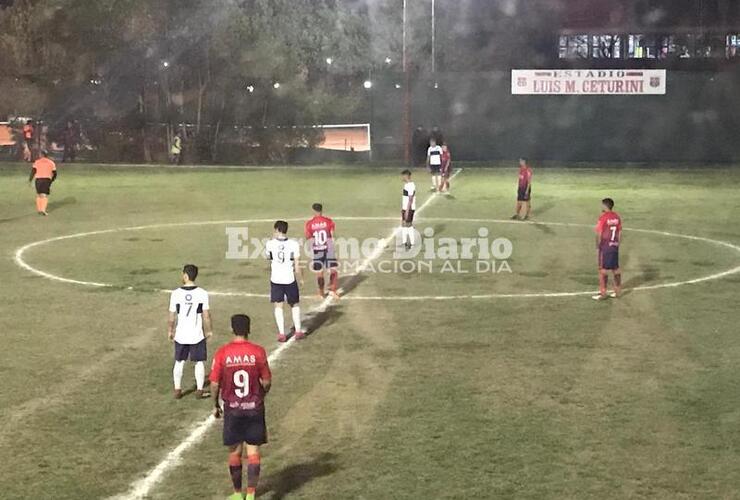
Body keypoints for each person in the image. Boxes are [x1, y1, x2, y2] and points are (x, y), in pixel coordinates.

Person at [210, 314, 271, 500]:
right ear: (249, 329)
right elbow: (267, 381)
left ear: (231, 329)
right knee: (253, 451)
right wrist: (260, 394)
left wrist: (215, 405)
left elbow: (214, 383)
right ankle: (251, 495)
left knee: (235, 452)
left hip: (233, 410)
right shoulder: (258, 352)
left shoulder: (223, 353)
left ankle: (237, 494)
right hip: (254, 408)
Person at [168, 264, 213, 399]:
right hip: (196, 335)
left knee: (179, 361)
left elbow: (171, 316)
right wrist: (209, 331)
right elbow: (206, 315)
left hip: (181, 334)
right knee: (199, 362)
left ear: (186, 276)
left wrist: (170, 331)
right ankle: (199, 390)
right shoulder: (202, 293)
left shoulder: (175, 293)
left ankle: (177, 389)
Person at [265, 220, 304, 342]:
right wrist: (301, 278)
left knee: (278, 305)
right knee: (294, 304)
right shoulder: (294, 244)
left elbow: (268, 257)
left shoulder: (270, 244)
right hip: (289, 279)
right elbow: (297, 264)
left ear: (277, 230)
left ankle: (281, 333)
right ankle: (298, 331)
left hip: (276, 279)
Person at [305, 203, 339, 299]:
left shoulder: (309, 224)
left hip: (317, 250)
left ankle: (321, 293)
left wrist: (312, 250)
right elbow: (332, 236)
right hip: (329, 249)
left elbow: (309, 239)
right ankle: (333, 291)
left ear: (313, 210)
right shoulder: (328, 221)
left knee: (319, 273)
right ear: (322, 210)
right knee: (333, 270)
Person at [593, 198, 623, 301]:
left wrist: (597, 246)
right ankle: (618, 291)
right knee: (615, 268)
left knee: (603, 270)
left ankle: (603, 293)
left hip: (605, 247)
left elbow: (599, 233)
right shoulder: (617, 217)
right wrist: (617, 244)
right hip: (614, 246)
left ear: (605, 206)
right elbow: (620, 232)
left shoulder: (603, 217)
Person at [28, 149, 57, 216]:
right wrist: (52, 180)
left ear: (41, 155)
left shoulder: (37, 162)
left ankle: (39, 209)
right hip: (47, 179)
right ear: (47, 155)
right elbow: (55, 173)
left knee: (39, 194)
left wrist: (30, 180)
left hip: (38, 179)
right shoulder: (51, 162)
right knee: (44, 195)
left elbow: (33, 172)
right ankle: (43, 210)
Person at [400, 169, 417, 250]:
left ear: (406, 176)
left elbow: (410, 199)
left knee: (408, 225)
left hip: (409, 208)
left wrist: (407, 210)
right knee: (403, 224)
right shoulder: (407, 185)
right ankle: (404, 243)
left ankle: (412, 244)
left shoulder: (410, 186)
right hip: (405, 207)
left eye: (403, 176)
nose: (402, 178)